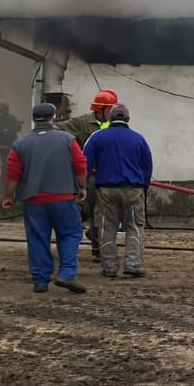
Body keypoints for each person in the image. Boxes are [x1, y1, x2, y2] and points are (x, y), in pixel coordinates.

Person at [2, 103, 88, 294]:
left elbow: (13, 173)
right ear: (53, 118)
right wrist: (82, 187)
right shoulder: (67, 139)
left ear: (33, 119)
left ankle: (40, 281)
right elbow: (80, 165)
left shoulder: (20, 144)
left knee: (37, 238)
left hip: (34, 201)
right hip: (63, 198)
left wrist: (8, 197)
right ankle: (66, 274)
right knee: (70, 234)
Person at [84, 104, 153, 279]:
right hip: (133, 189)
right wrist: (143, 188)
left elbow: (85, 164)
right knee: (134, 227)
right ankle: (133, 264)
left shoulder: (97, 137)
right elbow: (147, 167)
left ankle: (109, 267)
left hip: (106, 190)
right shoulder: (139, 139)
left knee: (106, 228)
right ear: (128, 119)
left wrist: (82, 187)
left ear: (110, 118)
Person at [59, 89, 120, 262]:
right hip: (90, 176)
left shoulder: (115, 124)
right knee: (91, 211)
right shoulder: (82, 123)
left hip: (110, 175)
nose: (112, 112)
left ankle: (96, 240)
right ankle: (94, 246)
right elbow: (58, 129)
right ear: (100, 109)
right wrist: (74, 152)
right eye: (110, 108)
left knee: (107, 212)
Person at [0, 102, 22, 181]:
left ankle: (5, 179)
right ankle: (8, 179)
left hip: (5, 144)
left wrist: (7, 130)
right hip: (10, 144)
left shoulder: (0, 119)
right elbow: (18, 127)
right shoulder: (11, 118)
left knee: (5, 162)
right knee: (9, 162)